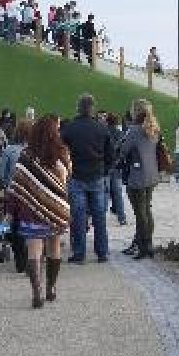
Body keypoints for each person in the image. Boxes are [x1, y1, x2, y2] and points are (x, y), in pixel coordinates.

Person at [4, 114, 71, 308]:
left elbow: (17, 184)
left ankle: (36, 292)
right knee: (54, 246)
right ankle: (51, 288)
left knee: (34, 249)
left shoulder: (26, 155)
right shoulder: (63, 153)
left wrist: (11, 209)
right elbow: (67, 178)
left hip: (31, 208)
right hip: (57, 207)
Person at [59, 94, 114, 264]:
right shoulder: (102, 128)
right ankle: (102, 252)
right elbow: (111, 153)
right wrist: (105, 169)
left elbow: (61, 151)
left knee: (78, 216)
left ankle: (79, 252)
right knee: (99, 216)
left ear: (78, 108)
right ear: (93, 108)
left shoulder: (70, 128)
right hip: (97, 174)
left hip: (76, 175)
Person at [118, 99, 161, 260]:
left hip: (137, 176)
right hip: (152, 174)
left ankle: (143, 246)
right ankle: (148, 245)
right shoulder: (154, 128)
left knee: (140, 213)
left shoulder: (134, 130)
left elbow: (123, 151)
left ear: (135, 111)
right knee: (147, 211)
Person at [105, 114, 130, 225]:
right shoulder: (121, 134)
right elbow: (123, 150)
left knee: (105, 193)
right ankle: (122, 217)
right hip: (116, 165)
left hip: (105, 165)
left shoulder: (103, 132)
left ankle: (102, 217)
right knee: (118, 193)